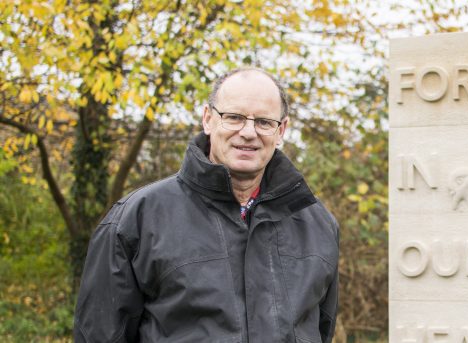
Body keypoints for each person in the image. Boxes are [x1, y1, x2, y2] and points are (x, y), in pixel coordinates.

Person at [74, 68, 339, 343]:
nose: (248, 133)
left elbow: (322, 330)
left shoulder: (318, 225)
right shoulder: (136, 220)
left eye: (263, 122)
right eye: (234, 117)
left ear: (281, 130)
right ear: (208, 119)